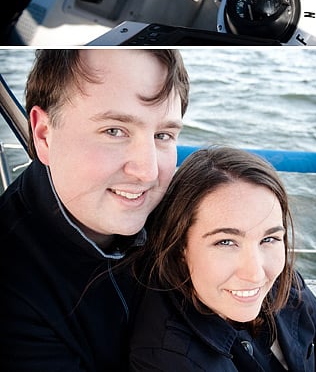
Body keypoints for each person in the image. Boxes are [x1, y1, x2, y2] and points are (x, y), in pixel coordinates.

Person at [0, 49, 191, 371]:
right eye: (114, 131)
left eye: (163, 135)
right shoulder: (13, 292)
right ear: (44, 135)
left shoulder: (181, 211)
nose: (147, 171)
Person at [129, 146, 316, 370]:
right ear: (180, 247)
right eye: (226, 242)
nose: (255, 274)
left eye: (269, 239)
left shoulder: (283, 281)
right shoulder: (168, 359)